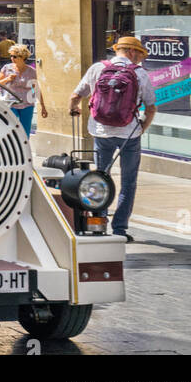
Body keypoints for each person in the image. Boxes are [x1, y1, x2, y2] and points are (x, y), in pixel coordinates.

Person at [68, 36, 156, 243]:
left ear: (119, 50)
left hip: (101, 132)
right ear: (133, 52)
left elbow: (75, 96)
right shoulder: (139, 74)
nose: (139, 60)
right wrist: (141, 128)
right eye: (139, 55)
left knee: (100, 177)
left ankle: (98, 222)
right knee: (128, 182)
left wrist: (74, 109)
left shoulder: (98, 68)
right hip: (129, 135)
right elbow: (151, 108)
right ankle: (119, 229)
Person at [0, 45, 47, 136]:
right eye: (11, 56)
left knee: (25, 131)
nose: (12, 58)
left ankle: (24, 149)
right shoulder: (7, 68)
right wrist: (7, 79)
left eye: (14, 56)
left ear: (23, 57)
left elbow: (35, 89)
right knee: (11, 128)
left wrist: (42, 106)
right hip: (10, 103)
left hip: (27, 104)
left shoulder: (31, 72)